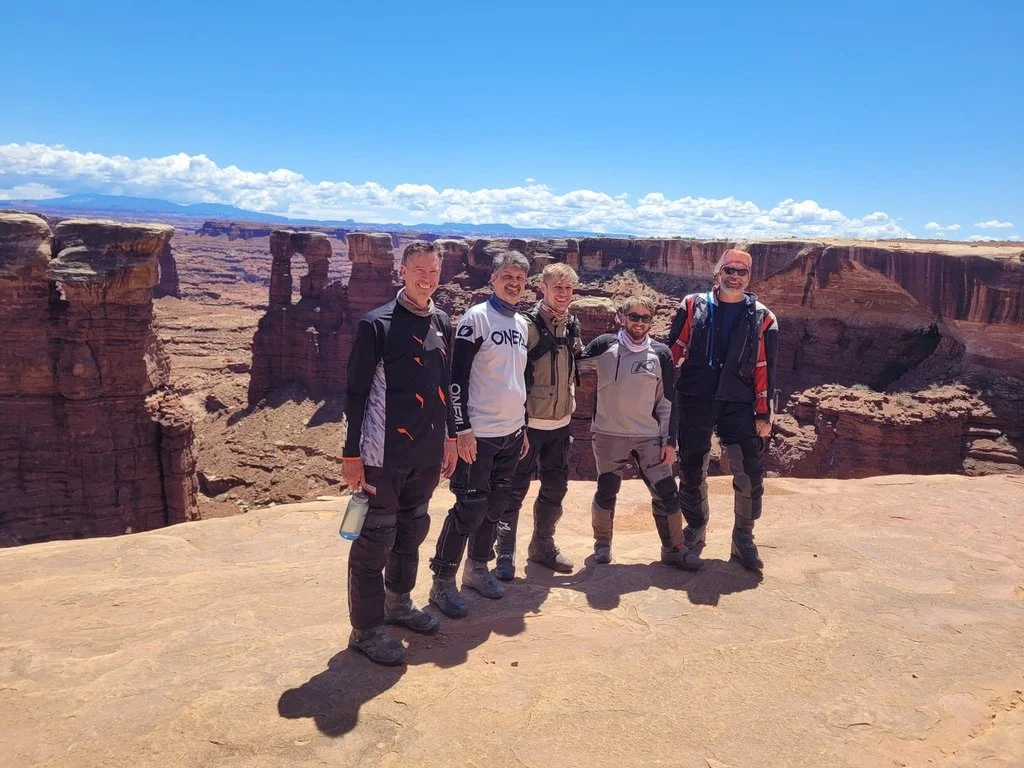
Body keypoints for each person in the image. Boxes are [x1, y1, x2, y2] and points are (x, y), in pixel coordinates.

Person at [341, 241, 458, 666]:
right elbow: (354, 394)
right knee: (375, 539)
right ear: (403, 273)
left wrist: (449, 437)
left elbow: (445, 386)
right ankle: (366, 629)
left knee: (412, 531)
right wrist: (351, 454)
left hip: (425, 452)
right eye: (419, 271)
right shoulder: (377, 324)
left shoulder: (444, 321)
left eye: (434, 271)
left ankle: (398, 603)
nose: (428, 278)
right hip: (381, 452)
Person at [428, 250, 531, 619]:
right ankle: (442, 580)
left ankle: (477, 570)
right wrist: (461, 430)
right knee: (469, 509)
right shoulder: (477, 318)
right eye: (507, 276)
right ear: (493, 279)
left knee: (494, 508)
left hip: (511, 432)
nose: (514, 283)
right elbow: (456, 378)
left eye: (520, 278)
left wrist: (523, 425)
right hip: (480, 433)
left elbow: (518, 380)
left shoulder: (521, 323)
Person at [667, 248, 779, 571]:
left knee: (749, 471)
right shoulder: (692, 305)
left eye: (741, 272)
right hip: (695, 396)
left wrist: (764, 413)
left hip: (739, 402)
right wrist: (662, 403)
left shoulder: (763, 316)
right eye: (728, 270)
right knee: (691, 467)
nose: (734, 276)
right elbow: (672, 353)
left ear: (749, 277)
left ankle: (743, 537)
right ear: (718, 273)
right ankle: (697, 527)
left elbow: (766, 369)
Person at [578, 295, 702, 570]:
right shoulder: (603, 345)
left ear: (651, 321)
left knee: (666, 491)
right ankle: (602, 544)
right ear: (622, 318)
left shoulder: (660, 354)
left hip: (648, 436)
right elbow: (571, 367)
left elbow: (668, 399)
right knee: (607, 489)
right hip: (609, 434)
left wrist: (670, 440)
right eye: (633, 316)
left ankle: (674, 548)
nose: (639, 322)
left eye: (645, 318)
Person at [488, 262, 583, 580]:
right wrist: (517, 423)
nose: (564, 294)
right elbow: (508, 375)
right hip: (529, 426)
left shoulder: (572, 325)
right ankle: (504, 553)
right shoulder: (524, 325)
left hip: (560, 424)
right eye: (558, 287)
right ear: (543, 288)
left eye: (569, 288)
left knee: (555, 488)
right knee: (514, 491)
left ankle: (542, 545)